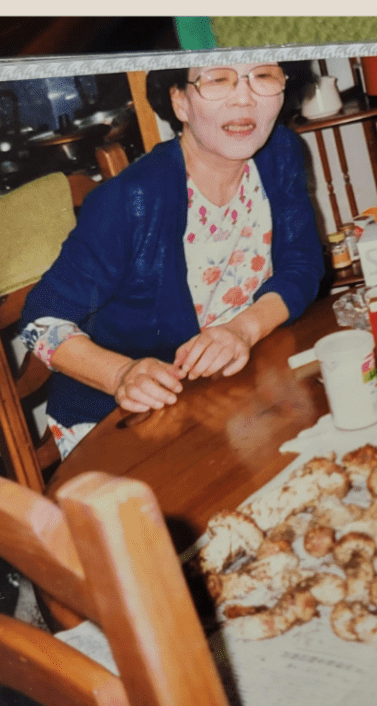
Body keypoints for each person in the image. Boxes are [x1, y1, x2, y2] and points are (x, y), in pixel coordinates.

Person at [20, 62, 325, 457]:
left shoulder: (280, 152)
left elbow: (302, 263)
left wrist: (242, 330)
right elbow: (39, 321)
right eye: (218, 80)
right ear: (180, 101)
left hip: (223, 392)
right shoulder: (129, 201)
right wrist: (122, 374)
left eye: (263, 77)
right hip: (124, 418)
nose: (244, 98)